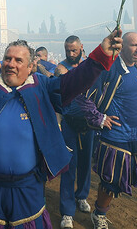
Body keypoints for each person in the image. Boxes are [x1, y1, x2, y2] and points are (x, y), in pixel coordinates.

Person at [0, 14, 122, 228]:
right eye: (8, 58)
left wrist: (100, 56)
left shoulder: (42, 86)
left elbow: (73, 82)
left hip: (29, 187)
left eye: (18, 60)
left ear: (29, 67)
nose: (11, 64)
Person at [75, 33, 137, 229]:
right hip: (116, 137)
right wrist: (99, 118)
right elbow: (82, 95)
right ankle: (99, 214)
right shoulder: (109, 70)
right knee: (111, 184)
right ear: (122, 47)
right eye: (134, 45)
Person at [53, 35, 93, 229]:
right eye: (67, 50)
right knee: (69, 166)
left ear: (81, 48)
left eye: (74, 50)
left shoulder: (89, 67)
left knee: (86, 164)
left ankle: (82, 196)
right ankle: (67, 212)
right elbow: (57, 96)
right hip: (69, 123)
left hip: (89, 124)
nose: (70, 53)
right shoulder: (60, 68)